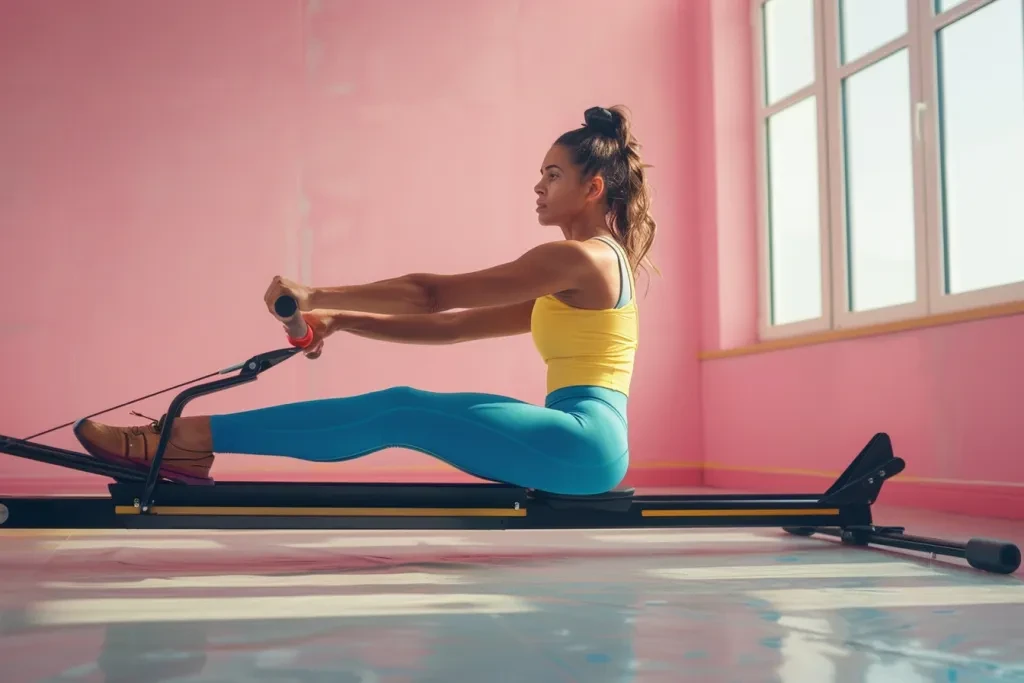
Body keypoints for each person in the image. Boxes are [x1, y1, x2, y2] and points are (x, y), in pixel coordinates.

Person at [73, 105, 657, 496]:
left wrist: (315, 292)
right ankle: (189, 440)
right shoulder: (586, 270)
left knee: (402, 410)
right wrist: (345, 321)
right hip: (582, 439)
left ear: (593, 188)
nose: (538, 186)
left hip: (582, 443)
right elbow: (452, 327)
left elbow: (433, 296)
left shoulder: (578, 259)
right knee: (400, 405)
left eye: (552, 175)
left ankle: (186, 440)